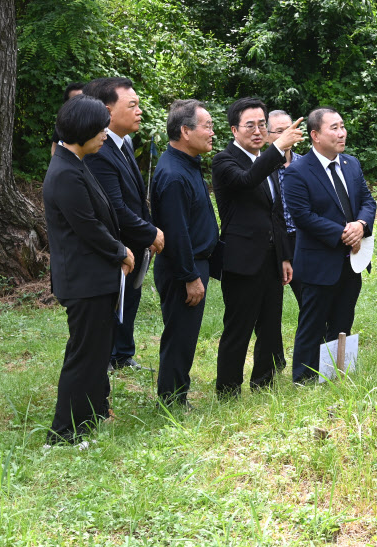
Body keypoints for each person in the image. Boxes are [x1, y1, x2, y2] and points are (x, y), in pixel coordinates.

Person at [43, 95, 135, 446]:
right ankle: (64, 432)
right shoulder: (65, 171)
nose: (104, 134)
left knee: (95, 352)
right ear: (83, 130)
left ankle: (92, 415)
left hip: (94, 279)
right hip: (84, 281)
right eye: (99, 128)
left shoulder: (77, 162)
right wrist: (120, 252)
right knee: (83, 356)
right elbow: (87, 226)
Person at [211, 98, 304, 397]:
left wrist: (285, 257)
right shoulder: (225, 161)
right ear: (234, 130)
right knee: (238, 327)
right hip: (241, 258)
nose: (257, 130)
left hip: (270, 258)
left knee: (270, 323)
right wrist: (278, 148)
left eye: (262, 124)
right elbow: (247, 180)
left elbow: (275, 212)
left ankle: (263, 382)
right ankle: (228, 389)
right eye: (249, 125)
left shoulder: (267, 161)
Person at [282, 107, 376, 384]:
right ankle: (303, 378)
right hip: (318, 262)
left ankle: (333, 372)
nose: (341, 133)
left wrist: (360, 225)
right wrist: (342, 233)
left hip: (353, 259)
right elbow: (303, 216)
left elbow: (368, 202)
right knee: (312, 322)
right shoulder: (298, 171)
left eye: (342, 126)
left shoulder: (351, 164)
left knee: (343, 318)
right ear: (315, 135)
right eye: (333, 128)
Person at [83, 77, 165, 371]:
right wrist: (150, 232)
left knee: (130, 297)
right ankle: (104, 358)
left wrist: (148, 230)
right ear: (107, 111)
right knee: (112, 302)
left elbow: (134, 198)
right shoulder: (98, 151)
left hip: (135, 241)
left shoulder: (125, 142)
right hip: (115, 243)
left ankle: (122, 354)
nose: (139, 111)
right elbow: (114, 208)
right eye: (132, 105)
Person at [151, 99, 220, 407]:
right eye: (207, 126)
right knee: (180, 334)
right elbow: (174, 233)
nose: (212, 133)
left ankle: (176, 392)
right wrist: (190, 276)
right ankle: (172, 398)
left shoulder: (188, 164)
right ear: (185, 131)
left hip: (194, 263)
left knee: (185, 333)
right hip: (183, 267)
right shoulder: (173, 174)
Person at [266, 109, 304, 308]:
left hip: (304, 239)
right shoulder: (261, 169)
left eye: (289, 129)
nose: (285, 135)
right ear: (266, 136)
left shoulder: (306, 164)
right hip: (276, 241)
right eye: (279, 131)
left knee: (309, 299)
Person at [50, 82, 84, 156]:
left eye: (82, 98)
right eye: (74, 100)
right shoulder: (63, 122)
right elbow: (55, 146)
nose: (79, 102)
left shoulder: (97, 120)